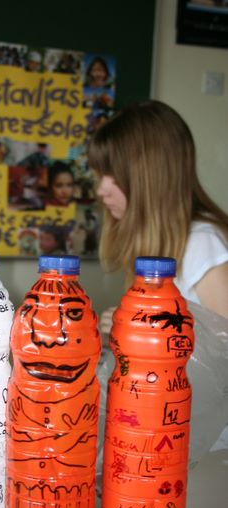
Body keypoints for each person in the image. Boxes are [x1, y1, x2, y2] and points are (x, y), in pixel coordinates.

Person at [87, 100, 228, 340]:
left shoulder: (204, 244)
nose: (101, 190)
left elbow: (222, 349)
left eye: (112, 175)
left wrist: (140, 328)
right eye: (100, 175)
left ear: (150, 176)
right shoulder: (159, 244)